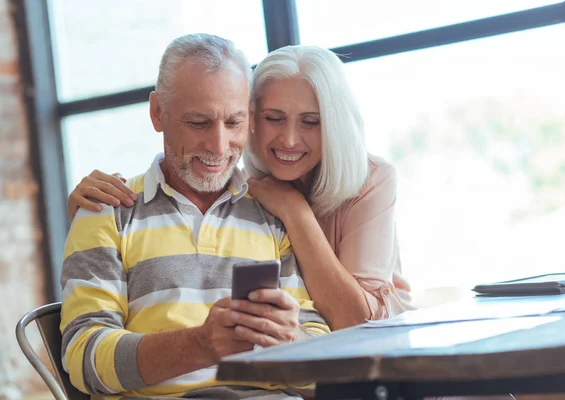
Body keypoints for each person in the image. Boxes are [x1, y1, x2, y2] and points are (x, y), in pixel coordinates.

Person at [68, 43, 414, 332]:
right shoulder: (243, 185)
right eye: (273, 118)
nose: (290, 139)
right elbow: (185, 155)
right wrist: (88, 212)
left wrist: (295, 212)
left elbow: (357, 325)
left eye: (311, 122)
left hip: (376, 361)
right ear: (251, 117)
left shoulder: (369, 181)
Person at [61, 33, 329, 400]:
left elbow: (321, 369)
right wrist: (199, 346)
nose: (219, 147)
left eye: (233, 123)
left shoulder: (274, 211)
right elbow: (83, 359)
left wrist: (292, 341)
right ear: (158, 112)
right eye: (199, 123)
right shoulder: (105, 212)